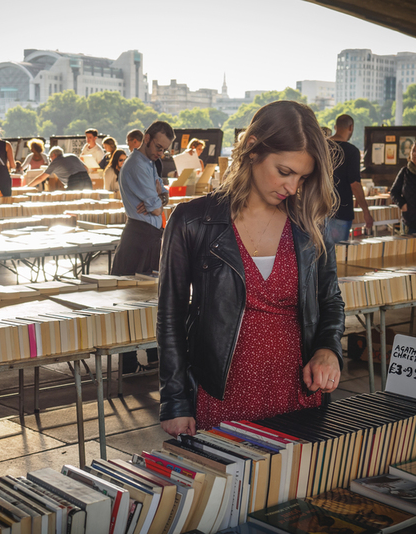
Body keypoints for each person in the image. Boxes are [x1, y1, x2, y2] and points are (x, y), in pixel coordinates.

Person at [158, 100, 345, 435]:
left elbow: (330, 301)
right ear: (253, 147)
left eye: (302, 178)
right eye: (284, 172)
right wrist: (175, 401)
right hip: (221, 396)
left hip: (298, 395)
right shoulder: (191, 221)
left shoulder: (310, 224)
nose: (292, 187)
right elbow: (169, 317)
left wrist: (328, 350)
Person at [113, 121, 173, 373]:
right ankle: (128, 362)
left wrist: (156, 198)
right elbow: (159, 206)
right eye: (158, 147)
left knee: (148, 297)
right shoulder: (138, 165)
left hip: (148, 233)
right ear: (146, 138)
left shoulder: (149, 163)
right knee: (131, 298)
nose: (160, 153)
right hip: (140, 234)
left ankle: (149, 356)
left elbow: (164, 195)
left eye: (164, 150)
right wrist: (156, 201)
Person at [329, 114, 373, 242]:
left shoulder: (321, 146)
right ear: (351, 127)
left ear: (335, 127)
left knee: (317, 256)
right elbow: (355, 184)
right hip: (341, 210)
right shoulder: (352, 152)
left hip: (317, 210)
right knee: (337, 255)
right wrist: (366, 211)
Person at [390, 141, 416, 234]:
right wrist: (402, 204)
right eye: (413, 151)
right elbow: (393, 191)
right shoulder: (404, 172)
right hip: (408, 219)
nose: (414, 154)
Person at [28, 146, 92, 190]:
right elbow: (86, 168)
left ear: (54, 155)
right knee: (87, 200)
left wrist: (28, 187)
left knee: (72, 201)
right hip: (86, 177)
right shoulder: (72, 156)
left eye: (50, 158)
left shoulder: (55, 162)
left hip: (74, 180)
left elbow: (41, 178)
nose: (51, 161)